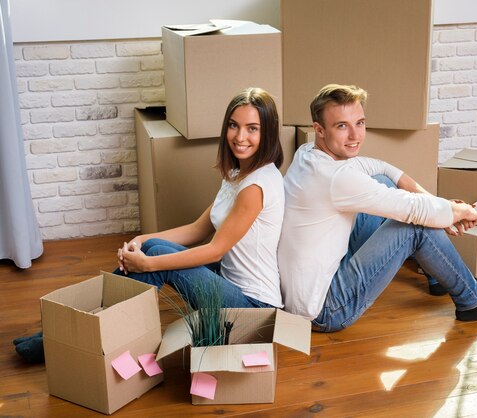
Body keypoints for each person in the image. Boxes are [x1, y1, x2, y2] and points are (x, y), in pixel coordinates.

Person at [14, 87, 284, 362]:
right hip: (230, 285)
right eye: (233, 126)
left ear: (268, 133)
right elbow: (197, 229)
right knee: (153, 246)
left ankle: (67, 336)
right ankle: (70, 329)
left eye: (252, 129)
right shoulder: (238, 173)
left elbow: (215, 250)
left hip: (254, 310)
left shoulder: (256, 186)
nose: (240, 137)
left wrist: (148, 264)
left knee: (154, 258)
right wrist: (142, 239)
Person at [277, 84, 477, 332]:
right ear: (319, 129)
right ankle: (472, 301)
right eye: (342, 126)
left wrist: (440, 206)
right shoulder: (336, 178)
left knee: (385, 184)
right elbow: (412, 210)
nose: (355, 135)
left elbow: (384, 168)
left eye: (359, 123)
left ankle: (439, 275)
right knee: (414, 225)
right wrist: (459, 212)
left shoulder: (308, 152)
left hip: (313, 283)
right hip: (325, 309)